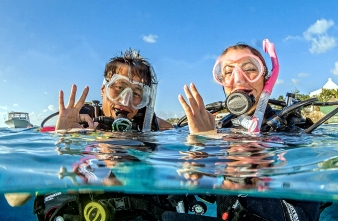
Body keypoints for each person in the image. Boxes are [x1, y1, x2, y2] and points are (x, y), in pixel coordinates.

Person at [5, 49, 178, 220]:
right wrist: (59, 142)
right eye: (119, 87)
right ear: (104, 89)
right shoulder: (72, 127)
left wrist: (204, 136)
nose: (126, 100)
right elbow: (14, 199)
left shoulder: (156, 130)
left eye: (137, 93)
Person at [177, 40, 326, 221]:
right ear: (222, 83)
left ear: (266, 78)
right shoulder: (219, 130)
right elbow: (207, 193)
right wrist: (202, 149)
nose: (238, 79)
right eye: (228, 72)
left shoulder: (293, 129)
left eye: (249, 69)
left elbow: (305, 216)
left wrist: (247, 187)